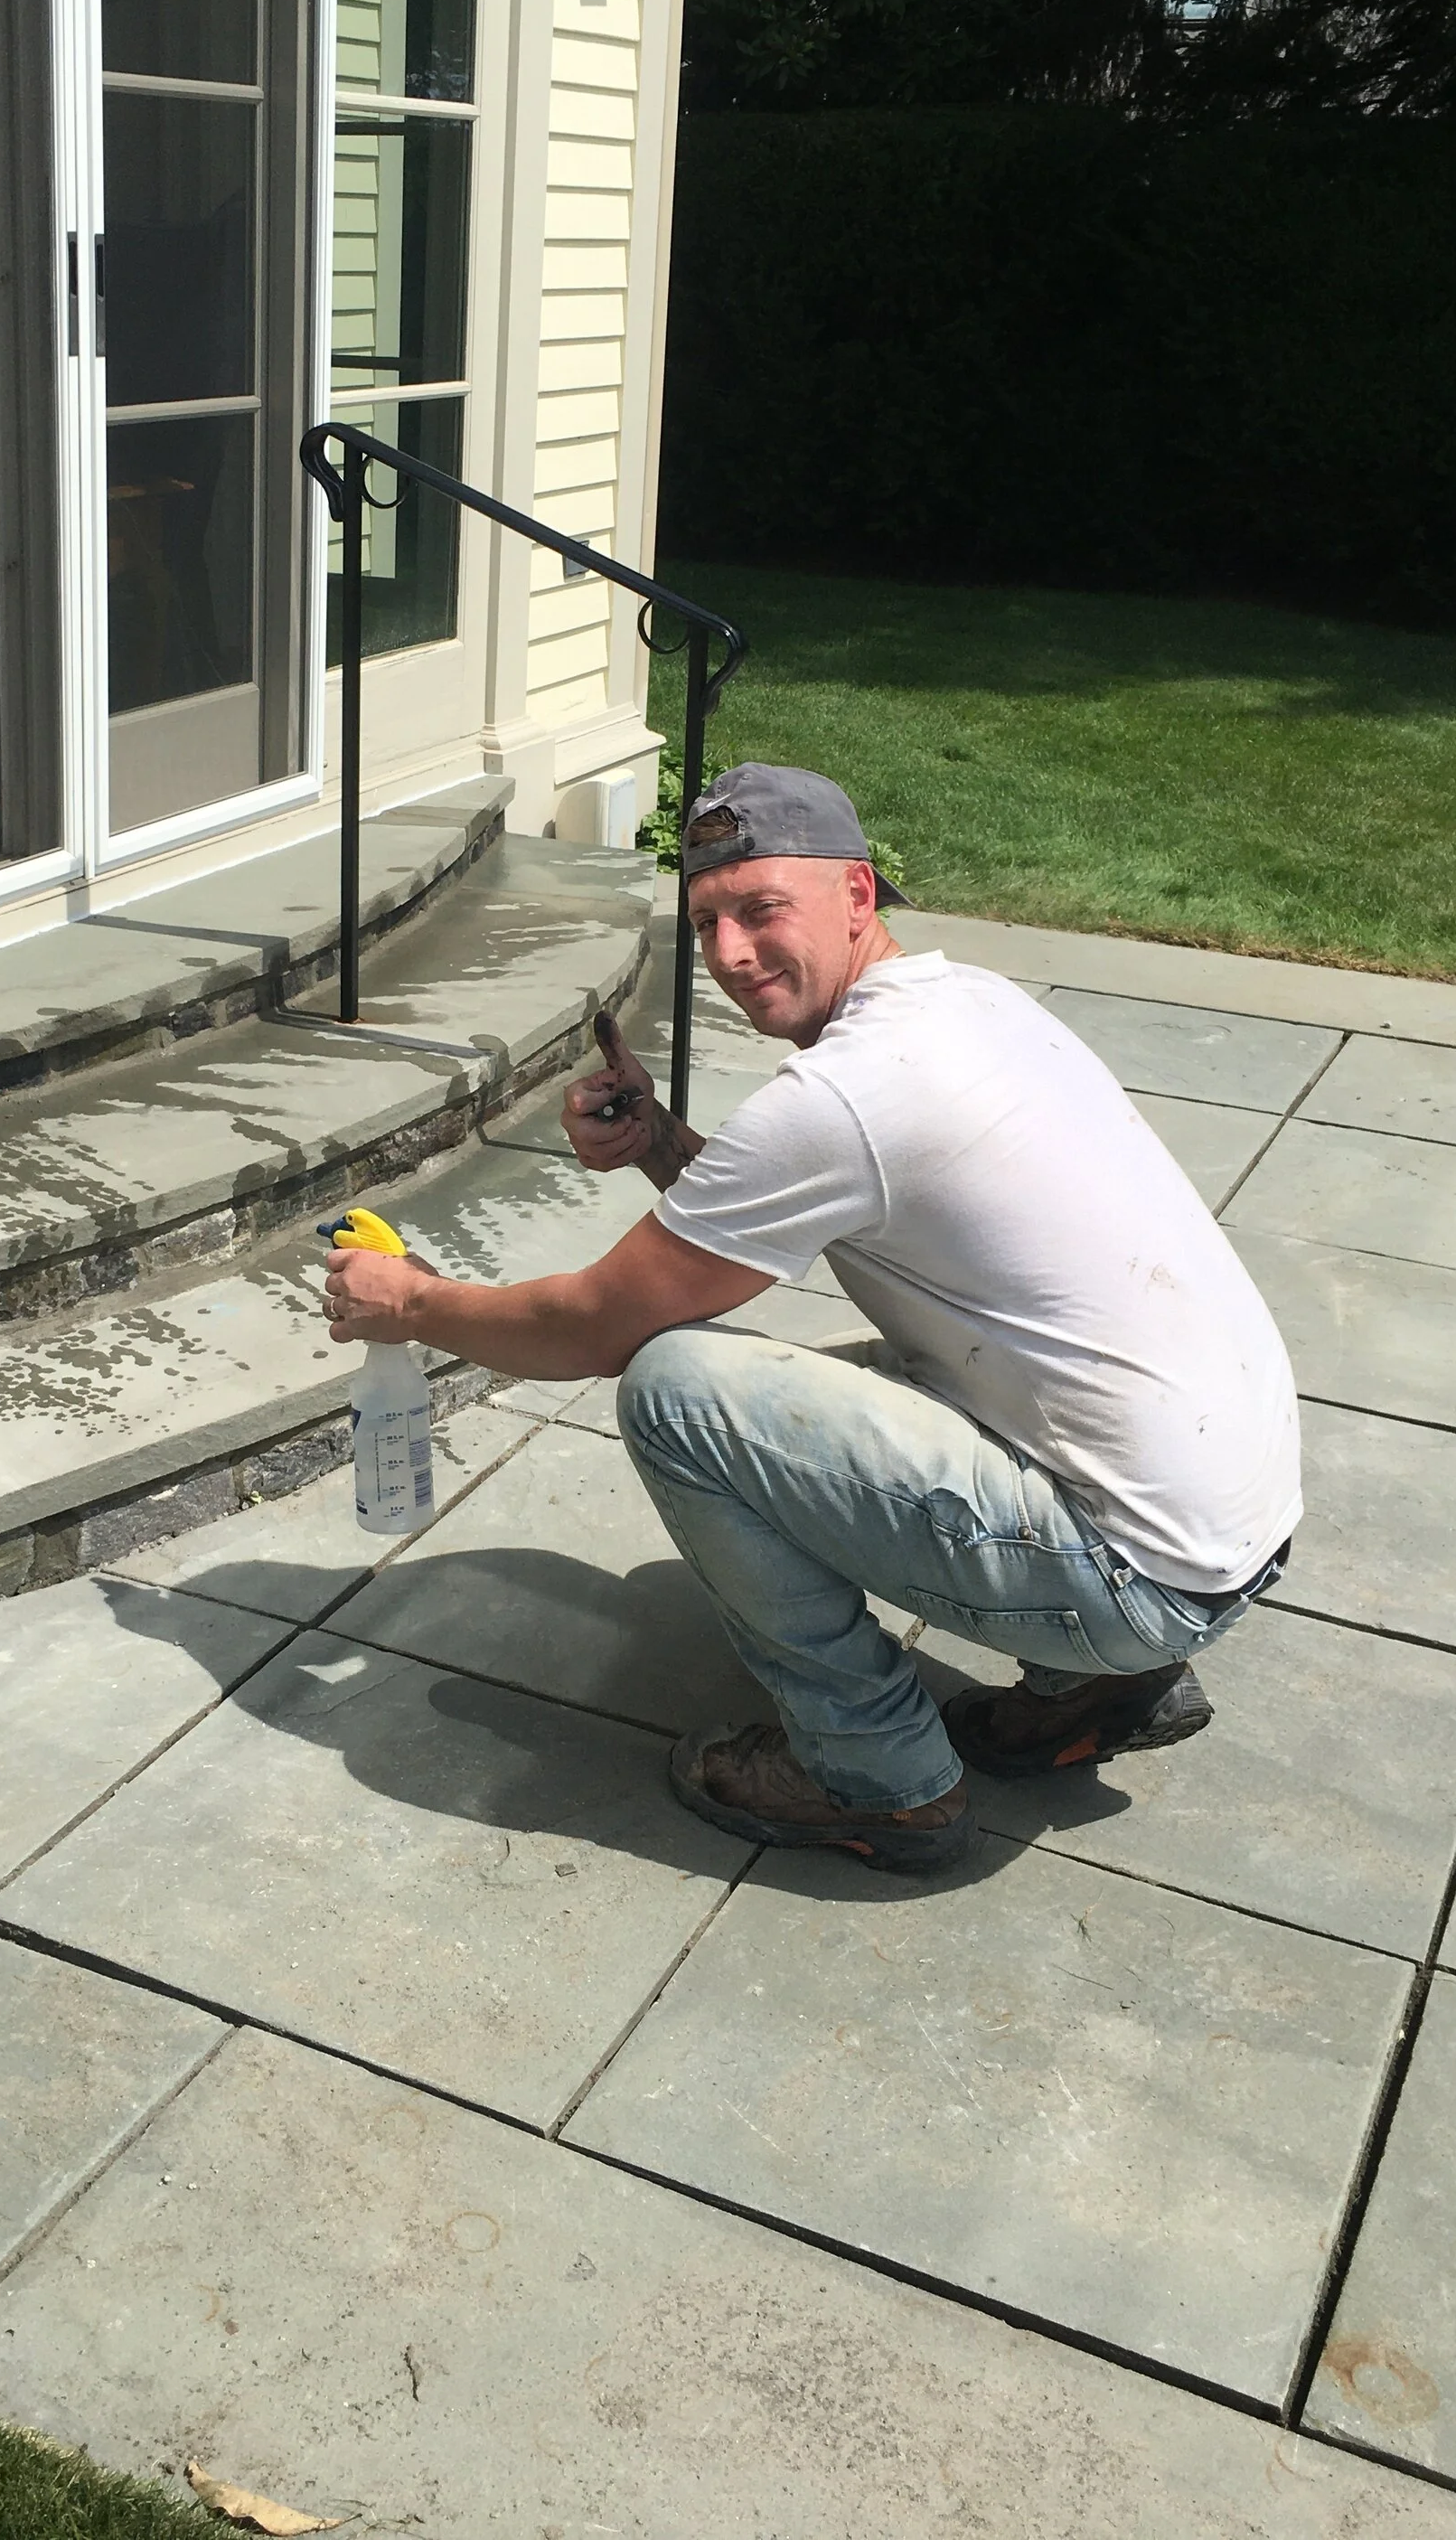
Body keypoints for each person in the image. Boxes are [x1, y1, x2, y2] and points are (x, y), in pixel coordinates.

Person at [321, 760, 1301, 1877]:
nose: (731, 954)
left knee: (678, 1393)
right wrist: (657, 1148)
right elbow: (755, 1225)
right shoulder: (969, 1003)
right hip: (1231, 1527)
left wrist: (411, 1301)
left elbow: (591, 1325)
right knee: (836, 1376)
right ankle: (1098, 1690)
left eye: (761, 909)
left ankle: (877, 1781)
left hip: (1140, 1574)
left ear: (857, 895)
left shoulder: (846, 1098)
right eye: (706, 920)